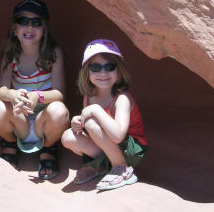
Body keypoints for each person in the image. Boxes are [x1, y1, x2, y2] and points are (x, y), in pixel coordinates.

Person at [0, 0, 69, 180]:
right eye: (24, 21)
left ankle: (48, 148)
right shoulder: (11, 55)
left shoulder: (53, 54)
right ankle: (10, 144)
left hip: (44, 120)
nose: (30, 27)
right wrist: (11, 94)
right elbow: (0, 90)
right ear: (15, 30)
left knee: (59, 112)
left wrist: (37, 96)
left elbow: (59, 93)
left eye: (36, 22)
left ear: (44, 29)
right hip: (20, 119)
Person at [61, 39, 148, 190]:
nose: (103, 73)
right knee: (68, 137)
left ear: (119, 70)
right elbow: (92, 130)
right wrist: (78, 122)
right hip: (110, 145)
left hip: (132, 150)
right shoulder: (89, 96)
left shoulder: (122, 98)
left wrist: (94, 110)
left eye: (109, 66)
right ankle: (101, 166)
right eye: (95, 67)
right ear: (87, 72)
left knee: (91, 122)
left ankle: (122, 168)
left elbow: (118, 135)